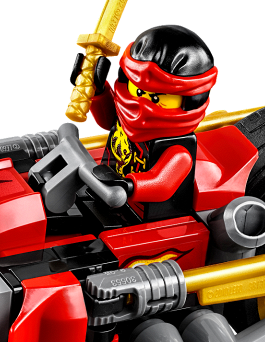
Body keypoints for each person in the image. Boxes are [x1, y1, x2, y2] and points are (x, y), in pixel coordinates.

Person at [71, 25, 217, 221]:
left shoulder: (178, 151)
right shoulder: (125, 116)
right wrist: (98, 91)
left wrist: (127, 186)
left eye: (156, 98)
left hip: (142, 216)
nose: (142, 104)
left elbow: (162, 184)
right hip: (104, 191)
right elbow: (109, 121)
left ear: (191, 101)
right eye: (138, 91)